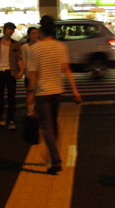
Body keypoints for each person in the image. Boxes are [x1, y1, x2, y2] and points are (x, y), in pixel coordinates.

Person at [26, 15, 81, 175]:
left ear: (41, 30)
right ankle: (53, 153)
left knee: (48, 127)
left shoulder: (34, 49)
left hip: (42, 92)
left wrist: (30, 93)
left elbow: (33, 74)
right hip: (57, 91)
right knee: (53, 124)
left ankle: (56, 160)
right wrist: (75, 90)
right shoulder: (60, 46)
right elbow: (66, 69)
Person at [0, 22, 24, 130]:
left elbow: (19, 58)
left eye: (12, 29)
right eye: (9, 29)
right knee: (0, 96)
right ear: (4, 30)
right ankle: (2, 116)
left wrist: (21, 70)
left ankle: (11, 119)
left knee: (11, 97)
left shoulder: (15, 44)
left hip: (11, 72)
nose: (10, 31)